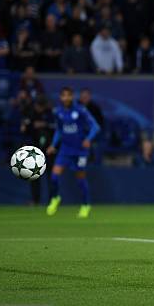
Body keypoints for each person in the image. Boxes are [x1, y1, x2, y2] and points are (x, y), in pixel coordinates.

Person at [45, 87, 100, 218]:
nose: (66, 98)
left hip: (80, 151)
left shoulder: (80, 110)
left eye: (68, 95)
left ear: (72, 97)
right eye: (63, 96)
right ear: (60, 97)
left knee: (80, 179)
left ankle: (86, 205)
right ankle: (55, 198)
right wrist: (53, 145)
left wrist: (88, 139)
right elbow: (59, 130)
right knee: (54, 176)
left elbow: (96, 127)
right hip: (65, 149)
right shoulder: (58, 112)